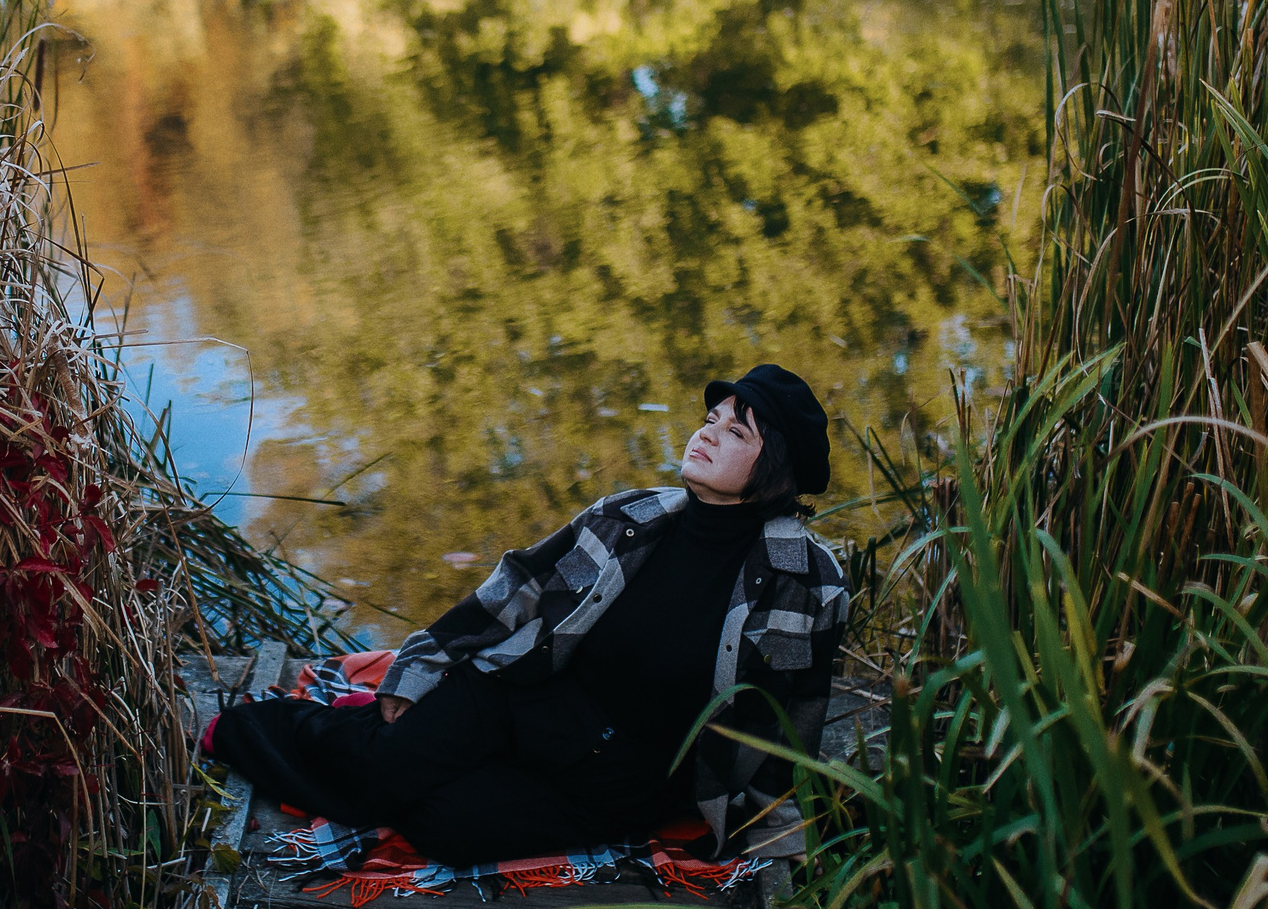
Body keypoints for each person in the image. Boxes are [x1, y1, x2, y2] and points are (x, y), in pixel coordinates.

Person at [208, 364, 851, 865]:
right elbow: (516, 586)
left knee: (446, 829)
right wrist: (422, 664)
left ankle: (395, 741)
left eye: (735, 430)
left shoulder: (806, 584)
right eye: (710, 417)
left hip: (617, 778)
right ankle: (238, 730)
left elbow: (794, 716)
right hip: (517, 693)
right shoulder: (631, 518)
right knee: (383, 771)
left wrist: (768, 826)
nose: (706, 432)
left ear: (774, 470)